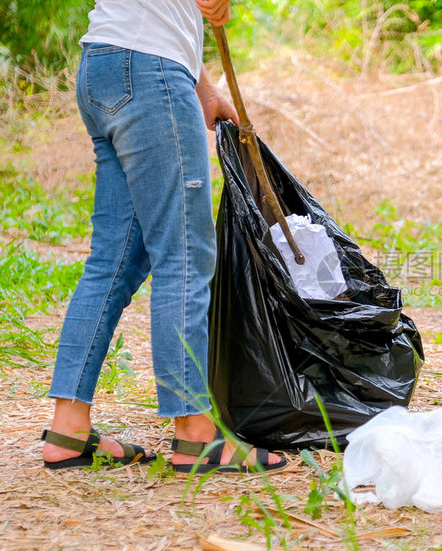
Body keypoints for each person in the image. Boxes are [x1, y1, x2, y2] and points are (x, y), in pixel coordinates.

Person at [41, 0, 285, 473]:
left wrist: (203, 85)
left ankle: (67, 428)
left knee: (114, 261)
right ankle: (196, 436)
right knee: (185, 257)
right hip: (150, 75)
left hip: (105, 65)